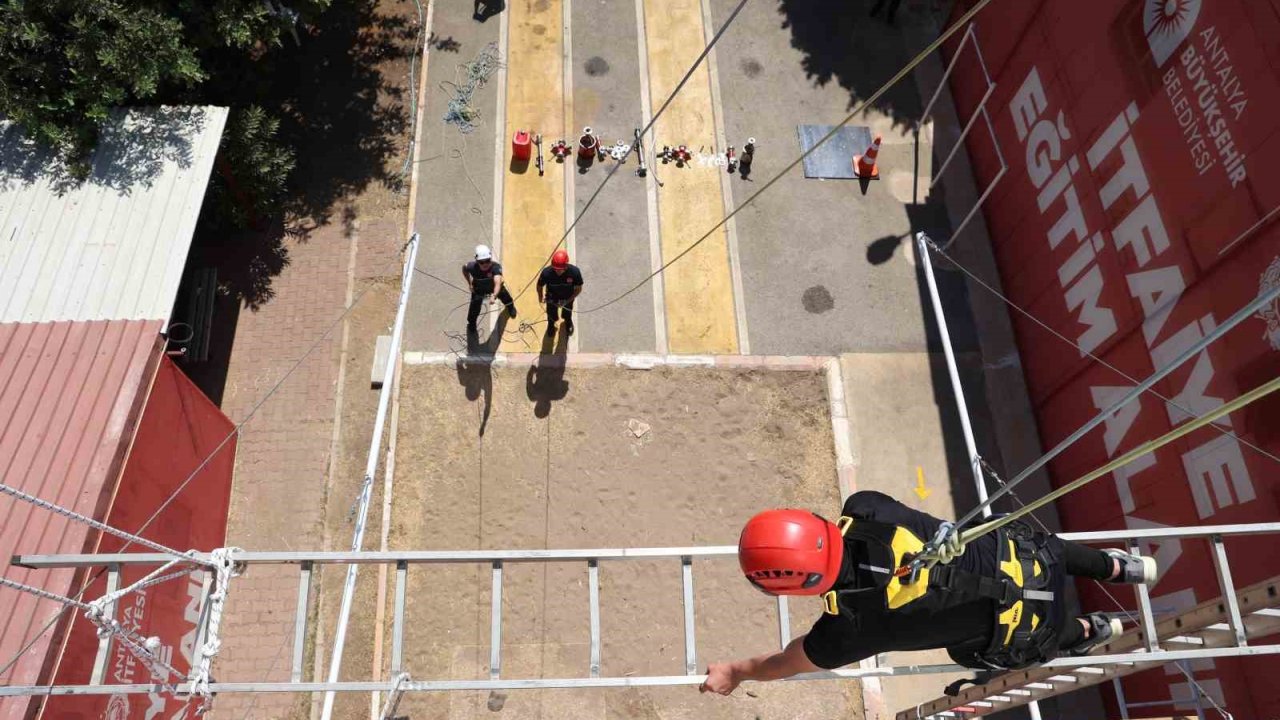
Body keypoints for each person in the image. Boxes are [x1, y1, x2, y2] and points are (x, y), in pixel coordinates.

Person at [700, 490, 1157, 697]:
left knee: (968, 652)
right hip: (1035, 561)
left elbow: (785, 662)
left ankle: (1085, 630)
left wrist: (736, 672)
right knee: (1020, 544)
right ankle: (1116, 566)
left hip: (1029, 629)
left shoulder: (848, 630)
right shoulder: (866, 506)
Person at [463, 244, 516, 331]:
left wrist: (494, 295)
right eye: (481, 262)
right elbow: (464, 268)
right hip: (479, 289)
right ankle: (472, 324)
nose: (485, 264)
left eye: (487, 261)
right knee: (474, 308)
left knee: (506, 298)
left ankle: (510, 307)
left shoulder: (495, 267)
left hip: (494, 288)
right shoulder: (471, 267)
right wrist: (469, 283)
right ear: (476, 260)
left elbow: (498, 283)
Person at [536, 249, 583, 337]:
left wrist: (567, 301)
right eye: (555, 269)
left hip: (568, 297)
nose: (557, 271)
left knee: (567, 312)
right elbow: (539, 286)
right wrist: (540, 297)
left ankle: (568, 321)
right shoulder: (547, 273)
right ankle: (551, 325)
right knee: (551, 314)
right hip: (552, 298)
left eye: (560, 269)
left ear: (566, 266)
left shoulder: (574, 272)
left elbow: (578, 289)